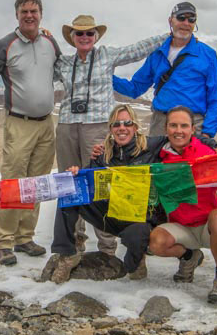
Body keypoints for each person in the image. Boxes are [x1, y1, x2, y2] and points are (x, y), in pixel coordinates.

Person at [46, 104, 217, 283]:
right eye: (116, 124)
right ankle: (68, 255)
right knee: (70, 191)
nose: (122, 128)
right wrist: (76, 174)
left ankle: (141, 258)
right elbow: (88, 185)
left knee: (133, 264)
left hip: (144, 219)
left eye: (127, 123)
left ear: (135, 127)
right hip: (113, 214)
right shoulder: (103, 155)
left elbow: (189, 138)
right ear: (111, 129)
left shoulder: (152, 145)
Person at [54, 15, 166, 256]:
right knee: (69, 182)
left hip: (98, 126)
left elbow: (137, 50)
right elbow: (38, 69)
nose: (85, 37)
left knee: (100, 184)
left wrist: (170, 34)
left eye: (90, 33)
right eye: (79, 33)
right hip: (66, 125)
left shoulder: (107, 55)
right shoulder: (62, 62)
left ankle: (106, 248)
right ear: (72, 38)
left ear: (96, 36)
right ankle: (75, 242)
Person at [0, 0, 63, 266]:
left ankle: (25, 237)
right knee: (13, 181)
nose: (29, 16)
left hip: (47, 122)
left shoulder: (50, 42)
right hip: (18, 123)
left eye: (34, 11)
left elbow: (60, 70)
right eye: (24, 11)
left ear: (41, 14)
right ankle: (4, 241)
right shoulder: (5, 44)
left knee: (37, 181)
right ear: (17, 15)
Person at [148, 106, 217, 305]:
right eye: (173, 125)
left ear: (192, 129)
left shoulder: (207, 153)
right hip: (181, 227)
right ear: (166, 128)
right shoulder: (158, 157)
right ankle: (189, 257)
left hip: (209, 226)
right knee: (156, 242)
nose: (178, 130)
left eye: (183, 126)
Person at [113, 1, 217, 137]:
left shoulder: (207, 54)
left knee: (189, 160)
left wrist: (207, 133)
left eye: (191, 19)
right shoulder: (157, 52)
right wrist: (106, 76)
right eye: (181, 17)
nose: (186, 23)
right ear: (170, 20)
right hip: (160, 124)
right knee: (157, 159)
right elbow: (135, 88)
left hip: (193, 125)